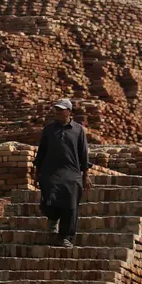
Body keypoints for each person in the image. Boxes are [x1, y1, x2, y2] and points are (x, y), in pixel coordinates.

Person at [33, 98, 91, 248]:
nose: (57, 112)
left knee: (71, 205)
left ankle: (66, 237)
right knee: (48, 200)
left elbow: (84, 154)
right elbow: (41, 152)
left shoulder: (78, 130)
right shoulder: (49, 129)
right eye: (56, 109)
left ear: (69, 111)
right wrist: (36, 173)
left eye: (60, 109)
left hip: (71, 172)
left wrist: (86, 175)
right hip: (50, 172)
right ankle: (53, 219)